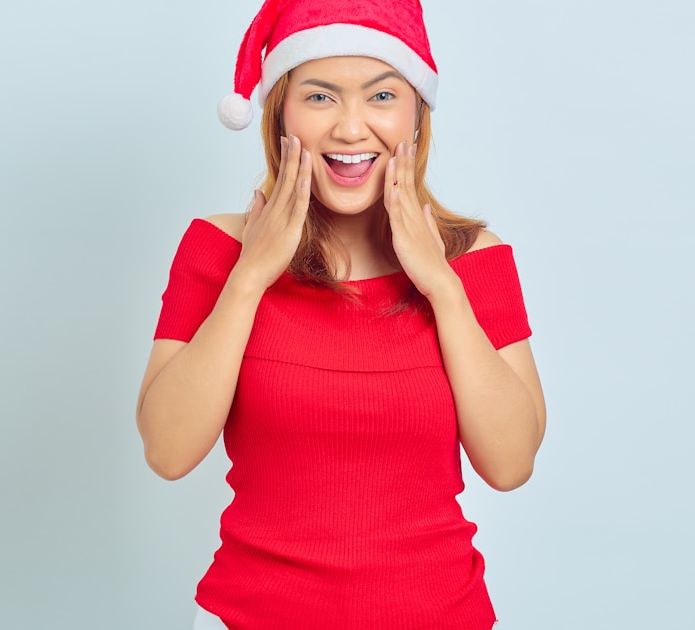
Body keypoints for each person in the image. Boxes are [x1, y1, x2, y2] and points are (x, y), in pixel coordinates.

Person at [135, 1, 546, 627]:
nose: (352, 129)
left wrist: (440, 285)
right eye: (321, 97)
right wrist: (250, 277)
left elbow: (511, 463)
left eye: (381, 96)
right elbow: (167, 450)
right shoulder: (218, 250)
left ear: (416, 114)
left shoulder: (474, 262)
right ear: (280, 112)